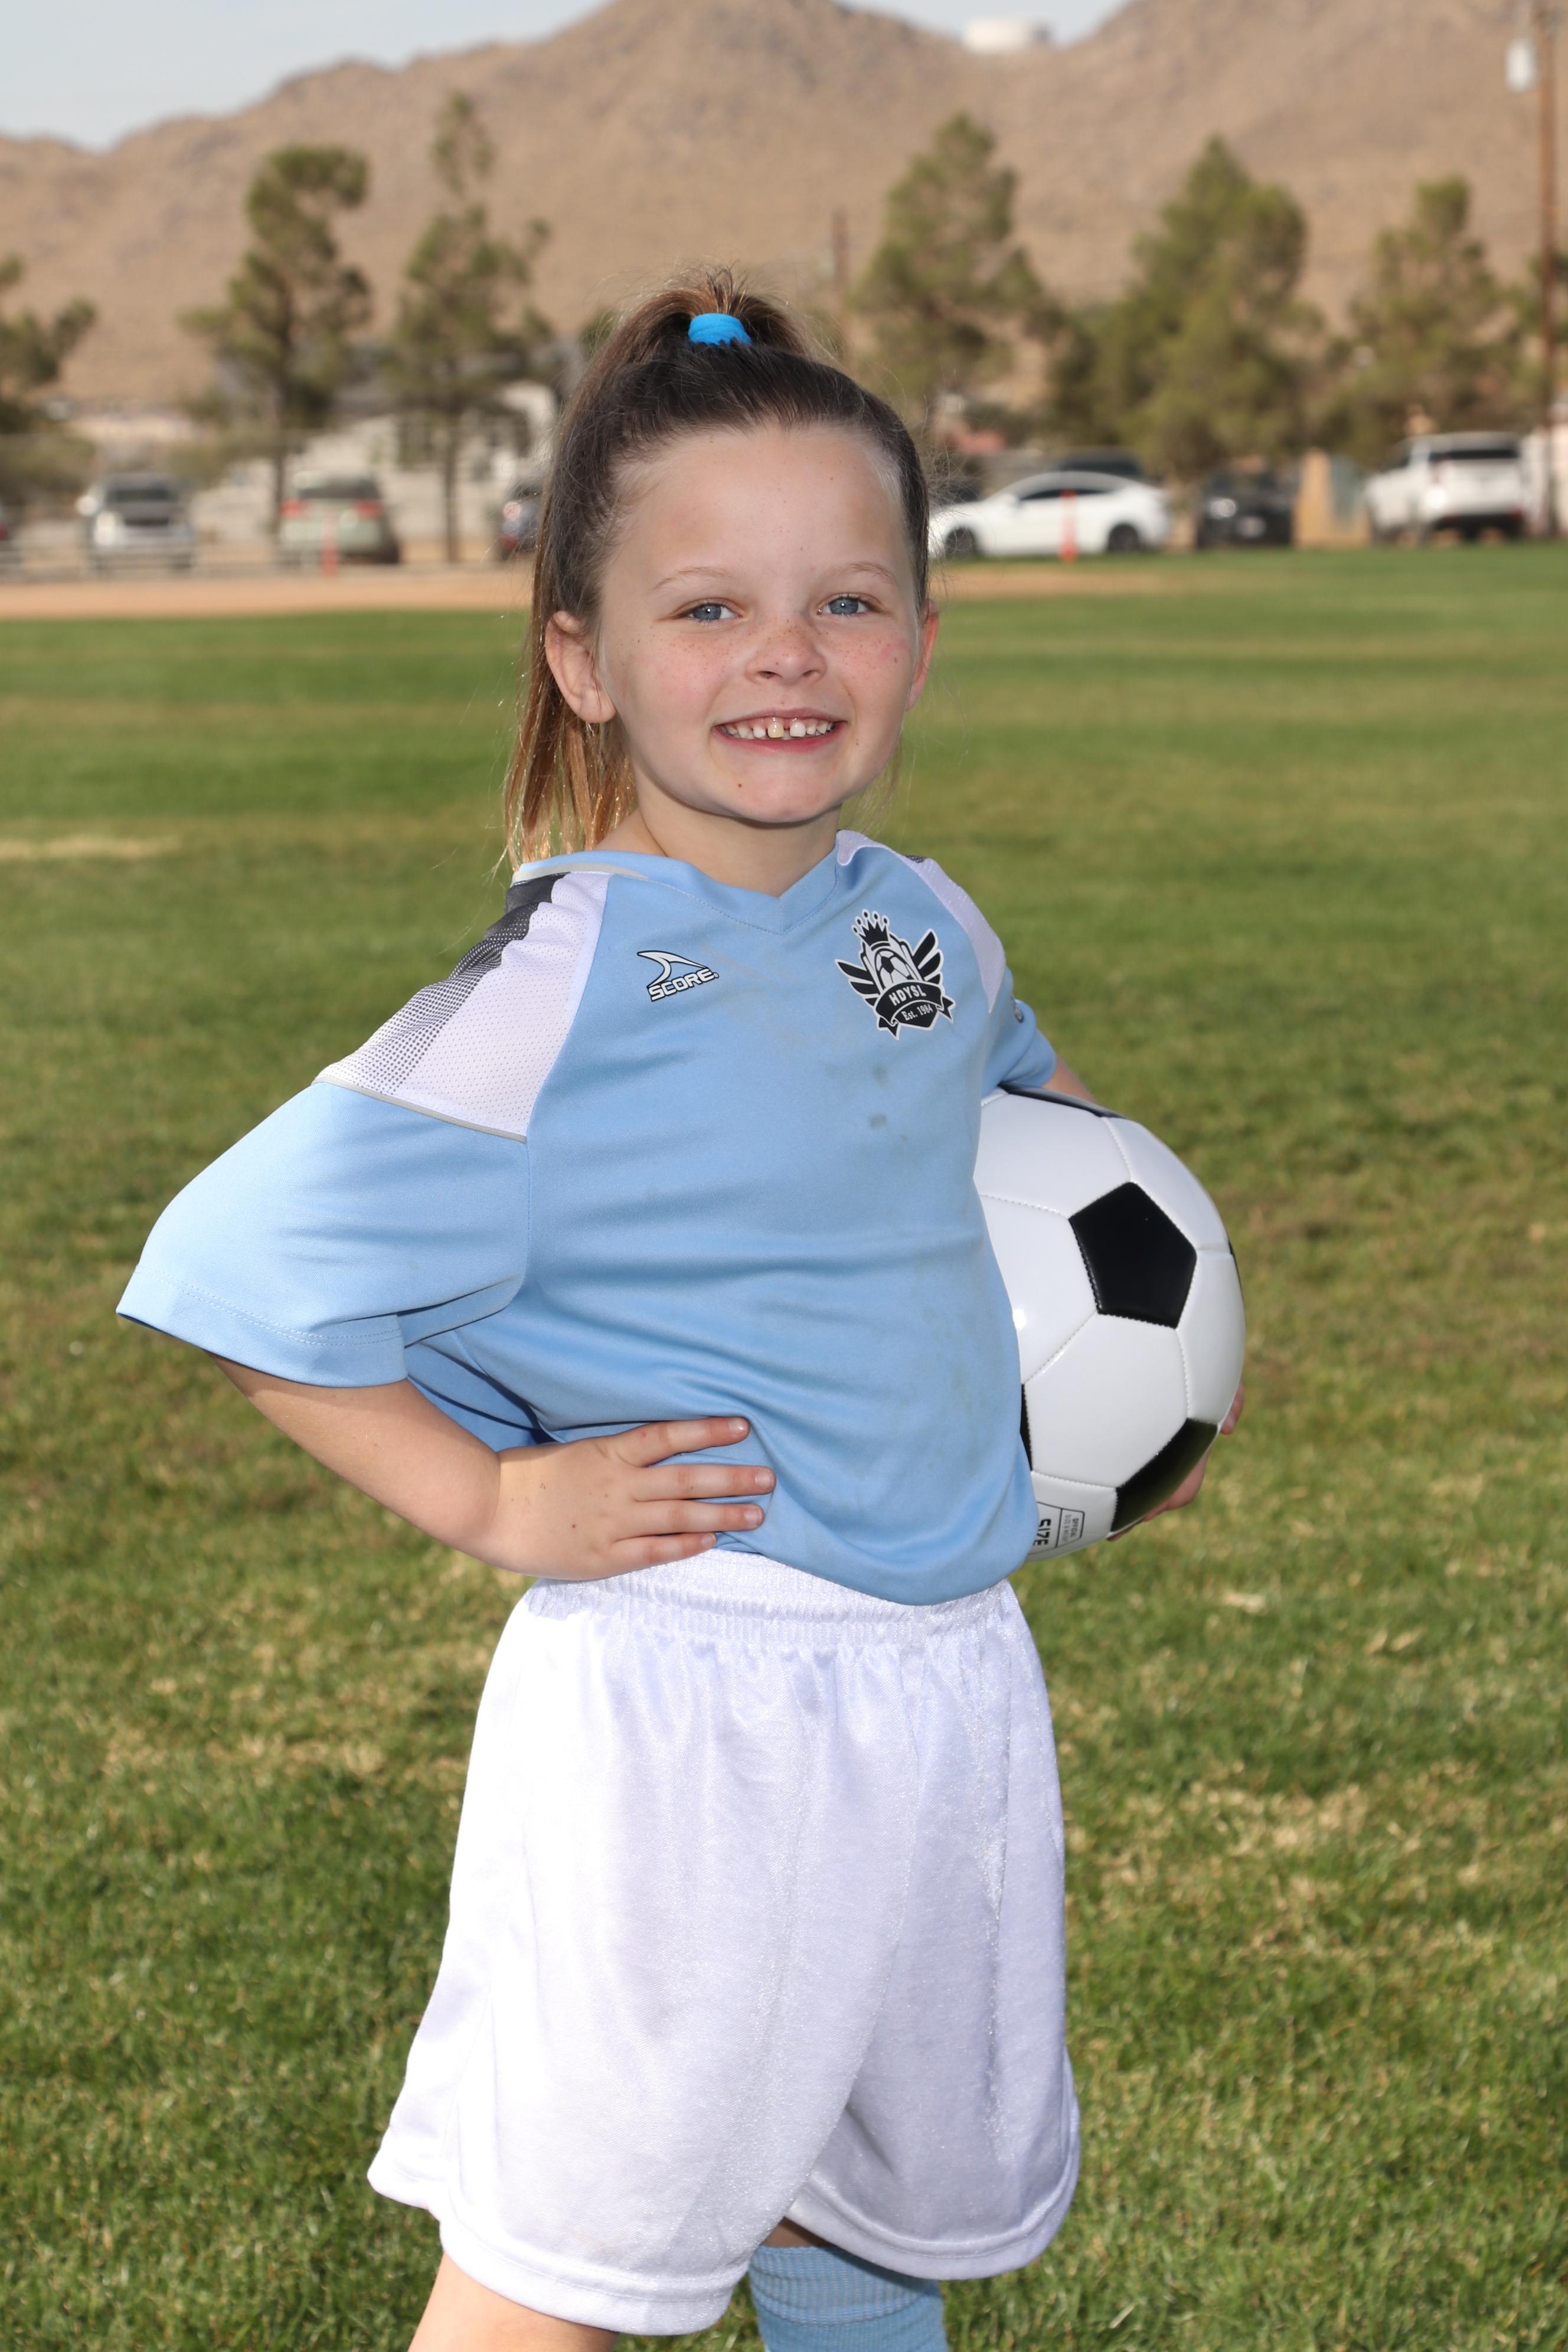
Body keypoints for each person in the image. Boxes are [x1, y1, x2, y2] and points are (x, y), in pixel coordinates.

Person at [118, 272, 1232, 2352]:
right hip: (697, 1711)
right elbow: (237, 1264)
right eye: (708, 607)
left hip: (942, 1683)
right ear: (585, 657)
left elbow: (1023, 1120)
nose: (786, 655)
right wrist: (492, 1502)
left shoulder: (923, 922)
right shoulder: (557, 990)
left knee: (866, 2231)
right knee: (562, 2277)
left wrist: (1151, 1323)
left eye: (848, 602)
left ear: (923, 635)